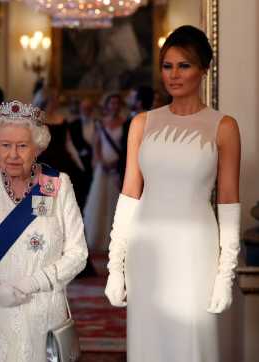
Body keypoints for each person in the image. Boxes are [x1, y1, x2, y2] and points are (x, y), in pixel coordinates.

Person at [105, 25, 241, 362]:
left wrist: (226, 274)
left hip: (196, 251)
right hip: (146, 250)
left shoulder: (223, 126)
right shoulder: (142, 123)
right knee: (148, 343)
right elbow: (129, 197)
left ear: (203, 70)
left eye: (184, 65)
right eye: (167, 66)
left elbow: (227, 202)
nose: (174, 75)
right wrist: (115, 266)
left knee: (192, 345)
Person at [0, 100, 88, 362]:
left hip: (41, 309)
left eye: (22, 146)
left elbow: (78, 253)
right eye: (5, 145)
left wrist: (32, 283)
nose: (13, 154)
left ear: (37, 148)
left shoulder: (58, 184)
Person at [82, 94, 126, 254]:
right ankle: (97, 238)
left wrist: (117, 164)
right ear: (106, 105)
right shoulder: (100, 124)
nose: (114, 106)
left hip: (118, 168)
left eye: (117, 103)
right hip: (103, 168)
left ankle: (115, 240)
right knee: (99, 202)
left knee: (115, 203)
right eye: (111, 103)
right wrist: (102, 162)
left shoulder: (125, 123)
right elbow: (97, 146)